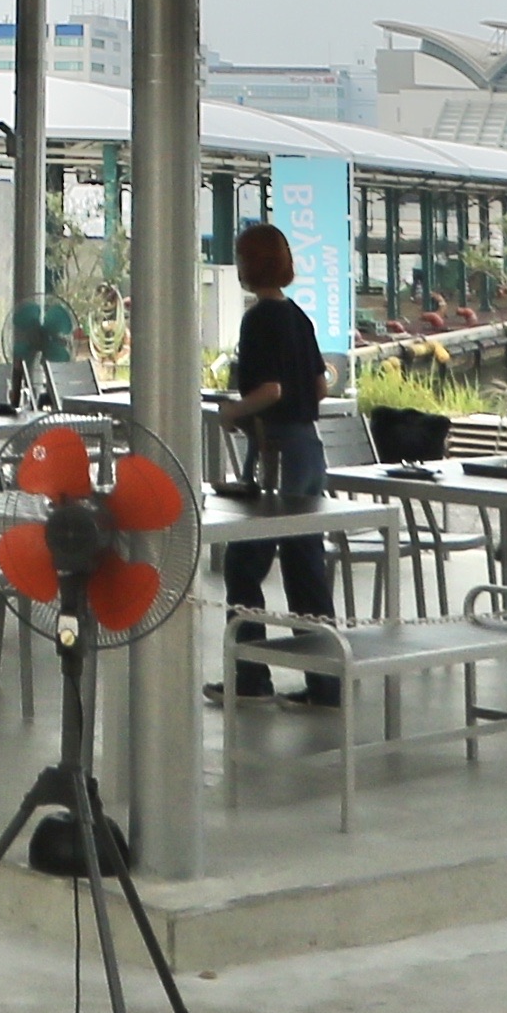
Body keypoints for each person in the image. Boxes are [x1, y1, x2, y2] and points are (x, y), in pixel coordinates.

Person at [220, 218, 341, 704]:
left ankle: (250, 676)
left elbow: (269, 390)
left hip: (276, 453)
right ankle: (326, 682)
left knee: (244, 563)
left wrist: (232, 412)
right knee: (305, 564)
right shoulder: (299, 317)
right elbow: (320, 387)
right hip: (309, 449)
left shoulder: (258, 320)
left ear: (249, 265)